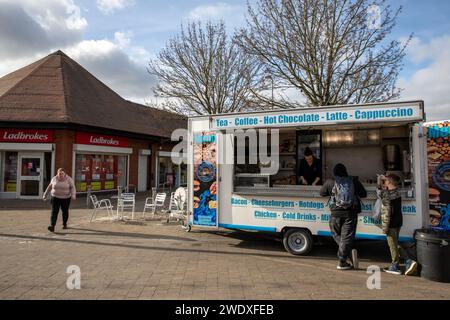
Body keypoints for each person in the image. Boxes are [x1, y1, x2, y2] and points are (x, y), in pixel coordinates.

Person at [320, 163, 367, 270]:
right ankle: (344, 258)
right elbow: (364, 194)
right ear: (345, 171)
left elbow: (321, 193)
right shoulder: (353, 181)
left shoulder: (330, 182)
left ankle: (343, 260)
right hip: (350, 214)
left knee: (336, 234)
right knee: (346, 238)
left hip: (335, 214)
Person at [379, 174, 418, 275]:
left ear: (390, 182)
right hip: (398, 221)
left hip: (391, 223)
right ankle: (405, 262)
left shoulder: (386, 194)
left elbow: (386, 209)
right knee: (395, 243)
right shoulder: (397, 192)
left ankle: (397, 265)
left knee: (392, 245)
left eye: (386, 181)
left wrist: (385, 227)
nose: (385, 182)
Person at [43, 168, 76, 232]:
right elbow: (49, 187)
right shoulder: (54, 179)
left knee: (65, 211)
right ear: (57, 173)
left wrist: (73, 195)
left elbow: (72, 187)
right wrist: (45, 194)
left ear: (65, 174)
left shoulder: (69, 179)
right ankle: (52, 226)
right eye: (59, 173)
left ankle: (64, 224)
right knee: (54, 212)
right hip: (55, 197)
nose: (60, 175)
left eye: (62, 173)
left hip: (66, 198)